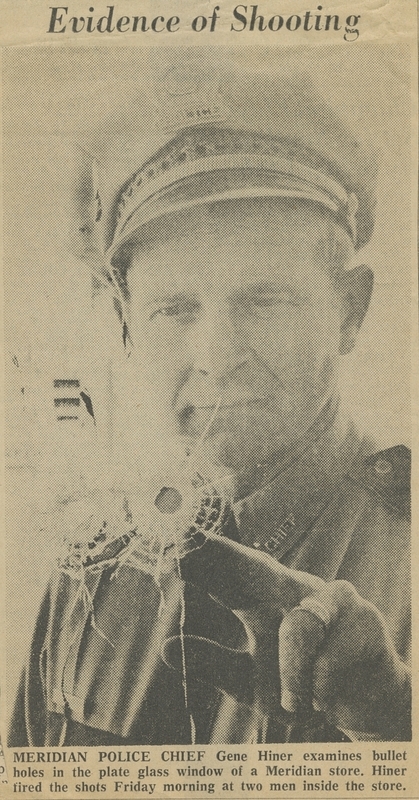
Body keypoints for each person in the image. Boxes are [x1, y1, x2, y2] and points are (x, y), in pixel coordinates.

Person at [8, 63, 411, 747]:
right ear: (126, 325)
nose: (218, 354)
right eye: (174, 309)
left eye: (264, 300)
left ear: (350, 310)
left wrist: (395, 718)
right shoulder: (94, 566)